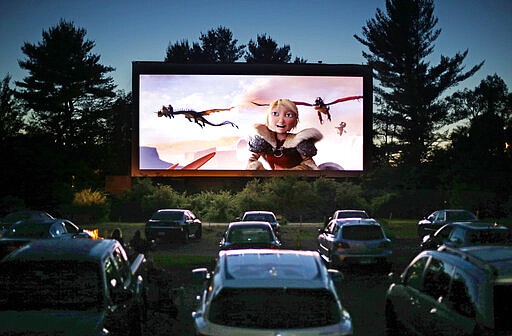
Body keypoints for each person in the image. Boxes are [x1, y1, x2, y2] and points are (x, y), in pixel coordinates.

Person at [247, 98, 322, 170]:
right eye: (275, 113)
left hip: (296, 178)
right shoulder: (264, 139)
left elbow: (309, 164)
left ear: (295, 120)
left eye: (288, 115)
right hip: (272, 179)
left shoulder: (299, 141)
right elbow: (252, 161)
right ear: (268, 117)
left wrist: (291, 172)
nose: (281, 120)